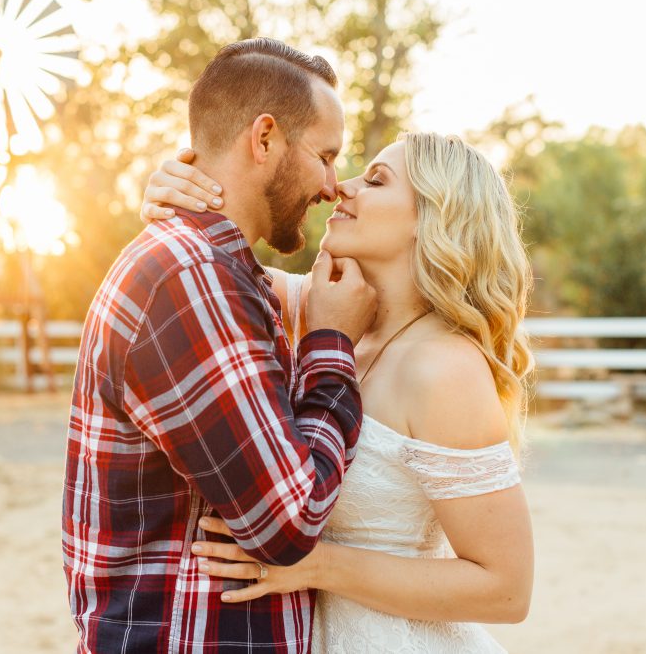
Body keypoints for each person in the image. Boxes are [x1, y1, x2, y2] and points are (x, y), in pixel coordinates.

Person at [141, 132, 535, 652]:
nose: (340, 188)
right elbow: (195, 266)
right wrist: (169, 196)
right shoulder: (316, 307)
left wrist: (317, 564)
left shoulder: (444, 368)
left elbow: (507, 590)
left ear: (432, 217)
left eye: (374, 181)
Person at [62, 38, 377, 654]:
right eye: (326, 156)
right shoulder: (190, 276)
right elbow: (288, 521)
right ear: (264, 139)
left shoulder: (221, 272)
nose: (333, 186)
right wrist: (330, 344)